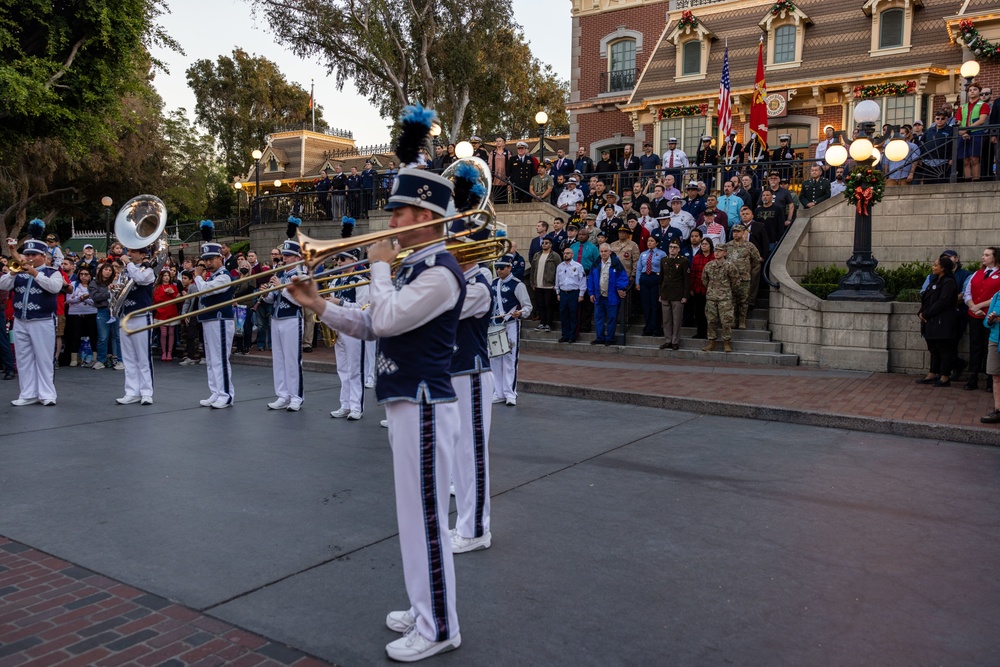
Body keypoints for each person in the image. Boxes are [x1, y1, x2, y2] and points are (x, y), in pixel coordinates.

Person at [286, 159, 464, 662]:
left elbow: (384, 317)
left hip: (424, 404)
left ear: (426, 215)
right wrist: (319, 306)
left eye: (399, 214)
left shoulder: (441, 274)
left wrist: (381, 266)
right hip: (406, 400)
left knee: (424, 516)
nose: (390, 225)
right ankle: (426, 604)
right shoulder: (415, 268)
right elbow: (368, 325)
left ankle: (438, 626)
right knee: (411, 515)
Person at [449, 252, 495, 554]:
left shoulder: (478, 285)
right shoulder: (459, 282)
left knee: (471, 454)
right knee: (458, 454)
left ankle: (476, 529)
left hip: (472, 374)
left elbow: (437, 310)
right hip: (454, 373)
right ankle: (467, 522)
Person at [1, 238, 62, 406]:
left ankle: (47, 394)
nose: (30, 258)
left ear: (43, 256)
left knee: (44, 358)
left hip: (42, 321)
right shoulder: (18, 272)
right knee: (23, 358)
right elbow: (3, 285)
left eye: (34, 255)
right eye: (27, 254)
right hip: (20, 320)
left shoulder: (52, 272)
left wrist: (34, 273)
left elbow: (54, 287)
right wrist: (13, 272)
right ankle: (28, 394)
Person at [189, 232, 236, 409]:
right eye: (205, 260)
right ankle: (216, 391)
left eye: (211, 259)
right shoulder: (213, 276)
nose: (208, 263)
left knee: (220, 358)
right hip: (209, 319)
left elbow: (205, 291)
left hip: (220, 320)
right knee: (211, 358)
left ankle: (226, 394)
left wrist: (198, 276)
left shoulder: (224, 276)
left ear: (220, 258)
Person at [264, 240, 307, 412]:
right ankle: (282, 395)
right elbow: (270, 299)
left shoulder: (301, 275)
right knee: (279, 360)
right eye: (284, 255)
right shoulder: (280, 274)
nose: (285, 258)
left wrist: (281, 288)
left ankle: (296, 396)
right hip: (276, 318)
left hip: (291, 318)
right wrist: (266, 291)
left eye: (288, 256)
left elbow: (299, 300)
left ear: (297, 257)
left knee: (292, 360)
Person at [328, 250, 369, 419]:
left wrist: (340, 302)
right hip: (339, 328)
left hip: (354, 328)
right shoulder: (334, 281)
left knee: (355, 370)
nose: (337, 262)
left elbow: (363, 307)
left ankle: (356, 407)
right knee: (342, 369)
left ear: (353, 260)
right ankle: (345, 404)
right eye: (336, 259)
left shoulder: (360, 281)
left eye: (342, 259)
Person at [115, 245, 156, 405]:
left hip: (141, 316)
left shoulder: (148, 270)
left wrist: (128, 264)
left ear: (142, 254)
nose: (128, 254)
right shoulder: (126, 271)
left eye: (132, 252)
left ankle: (146, 392)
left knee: (143, 357)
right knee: (129, 357)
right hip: (126, 316)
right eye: (128, 251)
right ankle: (131, 391)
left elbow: (140, 279)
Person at [490, 255, 531, 406]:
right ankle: (498, 392)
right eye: (496, 268)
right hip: (495, 325)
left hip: (511, 325)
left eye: (501, 268)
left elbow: (527, 306)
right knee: (495, 359)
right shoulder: (493, 283)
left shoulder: (517, 285)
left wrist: (520, 313)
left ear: (509, 267)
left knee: (510, 359)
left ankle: (510, 393)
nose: (498, 271)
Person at [916, 256, 959, 387]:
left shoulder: (949, 282)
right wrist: (921, 312)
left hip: (942, 322)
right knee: (933, 348)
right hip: (930, 321)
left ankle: (945, 376)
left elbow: (942, 302)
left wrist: (927, 313)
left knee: (943, 349)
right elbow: (927, 299)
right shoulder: (934, 281)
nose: (933, 267)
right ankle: (932, 373)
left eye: (935, 265)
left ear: (943, 268)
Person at [963, 247, 1000, 392]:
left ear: (995, 257)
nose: (983, 257)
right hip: (975, 316)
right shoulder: (976, 274)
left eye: (986, 255)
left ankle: (991, 380)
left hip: (991, 317)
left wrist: (980, 306)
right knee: (975, 346)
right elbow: (967, 293)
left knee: (989, 347)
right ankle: (973, 378)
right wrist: (973, 307)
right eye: (983, 254)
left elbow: (996, 297)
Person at [587, 243, 629, 345]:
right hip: (599, 296)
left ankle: (610, 338)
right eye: (601, 251)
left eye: (606, 251)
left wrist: (620, 288)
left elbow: (623, 277)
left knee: (612, 318)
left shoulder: (616, 263)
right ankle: (600, 337)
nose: (603, 253)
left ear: (610, 252)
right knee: (598, 318)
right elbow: (591, 279)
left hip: (612, 296)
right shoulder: (596, 263)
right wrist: (591, 293)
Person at [701, 244, 740, 353]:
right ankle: (711, 342)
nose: (717, 253)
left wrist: (726, 291)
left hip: (725, 298)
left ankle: (726, 343)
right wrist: (712, 290)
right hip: (711, 298)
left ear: (725, 253)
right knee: (711, 321)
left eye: (719, 251)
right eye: (715, 251)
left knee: (726, 322)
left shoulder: (730, 266)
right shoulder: (709, 266)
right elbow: (704, 280)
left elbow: (735, 282)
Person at [723, 224, 762, 329]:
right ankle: (733, 320)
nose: (735, 233)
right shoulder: (727, 246)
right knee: (732, 301)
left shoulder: (749, 246)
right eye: (734, 231)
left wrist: (747, 270)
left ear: (743, 232)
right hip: (731, 279)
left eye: (738, 231)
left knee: (744, 301)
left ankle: (742, 321)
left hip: (744, 278)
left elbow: (756, 260)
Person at [657, 240, 690, 351]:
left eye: (675, 247)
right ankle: (668, 340)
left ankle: (675, 341)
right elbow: (661, 279)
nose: (672, 249)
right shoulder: (664, 260)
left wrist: (685, 295)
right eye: (671, 247)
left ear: (679, 249)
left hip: (677, 294)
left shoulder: (683, 261)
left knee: (676, 319)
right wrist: (660, 293)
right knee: (666, 319)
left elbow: (686, 280)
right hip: (666, 293)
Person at [955, 82, 990, 181]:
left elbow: (982, 120)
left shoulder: (983, 105)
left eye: (974, 90)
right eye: (970, 90)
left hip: (977, 132)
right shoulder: (963, 107)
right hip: (963, 133)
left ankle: (976, 180)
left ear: (979, 91)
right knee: (965, 160)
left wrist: (967, 129)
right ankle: (967, 180)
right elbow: (959, 121)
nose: (972, 92)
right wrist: (963, 132)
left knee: (974, 158)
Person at [65, 265, 97, 367]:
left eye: (86, 274)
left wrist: (83, 298)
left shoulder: (94, 285)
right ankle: (74, 358)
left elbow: (96, 301)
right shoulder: (73, 284)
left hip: (91, 313)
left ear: (90, 276)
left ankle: (94, 358)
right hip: (75, 313)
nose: (84, 276)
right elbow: (69, 300)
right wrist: (81, 297)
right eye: (82, 274)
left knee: (93, 335)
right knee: (74, 335)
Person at [636, 236, 667, 337]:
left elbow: (664, 270)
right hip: (645, 279)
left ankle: (656, 327)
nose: (649, 243)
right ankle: (648, 327)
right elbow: (639, 269)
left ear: (657, 243)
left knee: (655, 305)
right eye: (648, 241)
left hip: (655, 278)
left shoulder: (662, 254)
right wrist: (637, 282)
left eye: (652, 241)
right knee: (646, 305)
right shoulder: (643, 254)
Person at [555, 246, 586, 343]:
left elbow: (582, 281)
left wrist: (581, 294)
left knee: (573, 315)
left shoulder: (578, 266)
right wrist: (557, 293)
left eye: (568, 253)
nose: (566, 255)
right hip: (563, 293)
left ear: (572, 255)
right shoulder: (560, 266)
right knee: (563, 315)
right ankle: (565, 335)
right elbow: (557, 280)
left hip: (574, 293)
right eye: (564, 253)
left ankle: (572, 336)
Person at [530, 237, 559, 332]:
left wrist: (556, 284)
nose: (544, 244)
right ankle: (542, 322)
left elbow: (559, 270)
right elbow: (533, 269)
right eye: (543, 243)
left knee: (549, 305)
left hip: (549, 286)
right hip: (538, 285)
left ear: (550, 245)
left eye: (546, 243)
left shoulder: (555, 256)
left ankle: (548, 324)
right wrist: (532, 282)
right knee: (540, 305)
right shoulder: (537, 255)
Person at [689, 237, 714, 339]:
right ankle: (701, 332)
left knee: (710, 313)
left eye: (706, 244)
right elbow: (693, 274)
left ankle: (711, 333)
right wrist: (691, 288)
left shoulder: (713, 257)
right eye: (702, 244)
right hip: (698, 289)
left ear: (710, 246)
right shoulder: (696, 258)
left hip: (712, 290)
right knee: (699, 313)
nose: (704, 246)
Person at [981, 293, 1000, 423]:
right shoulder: (997, 295)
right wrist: (990, 320)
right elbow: (986, 322)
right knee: (996, 376)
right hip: (995, 340)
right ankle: (998, 410)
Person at [152, 269, 179, 362]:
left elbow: (177, 298)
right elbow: (156, 299)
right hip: (161, 312)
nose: (167, 277)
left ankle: (169, 352)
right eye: (165, 275)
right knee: (163, 333)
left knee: (171, 333)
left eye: (168, 275)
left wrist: (172, 293)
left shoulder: (173, 286)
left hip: (172, 312)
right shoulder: (157, 287)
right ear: (161, 277)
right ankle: (164, 352)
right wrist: (165, 293)